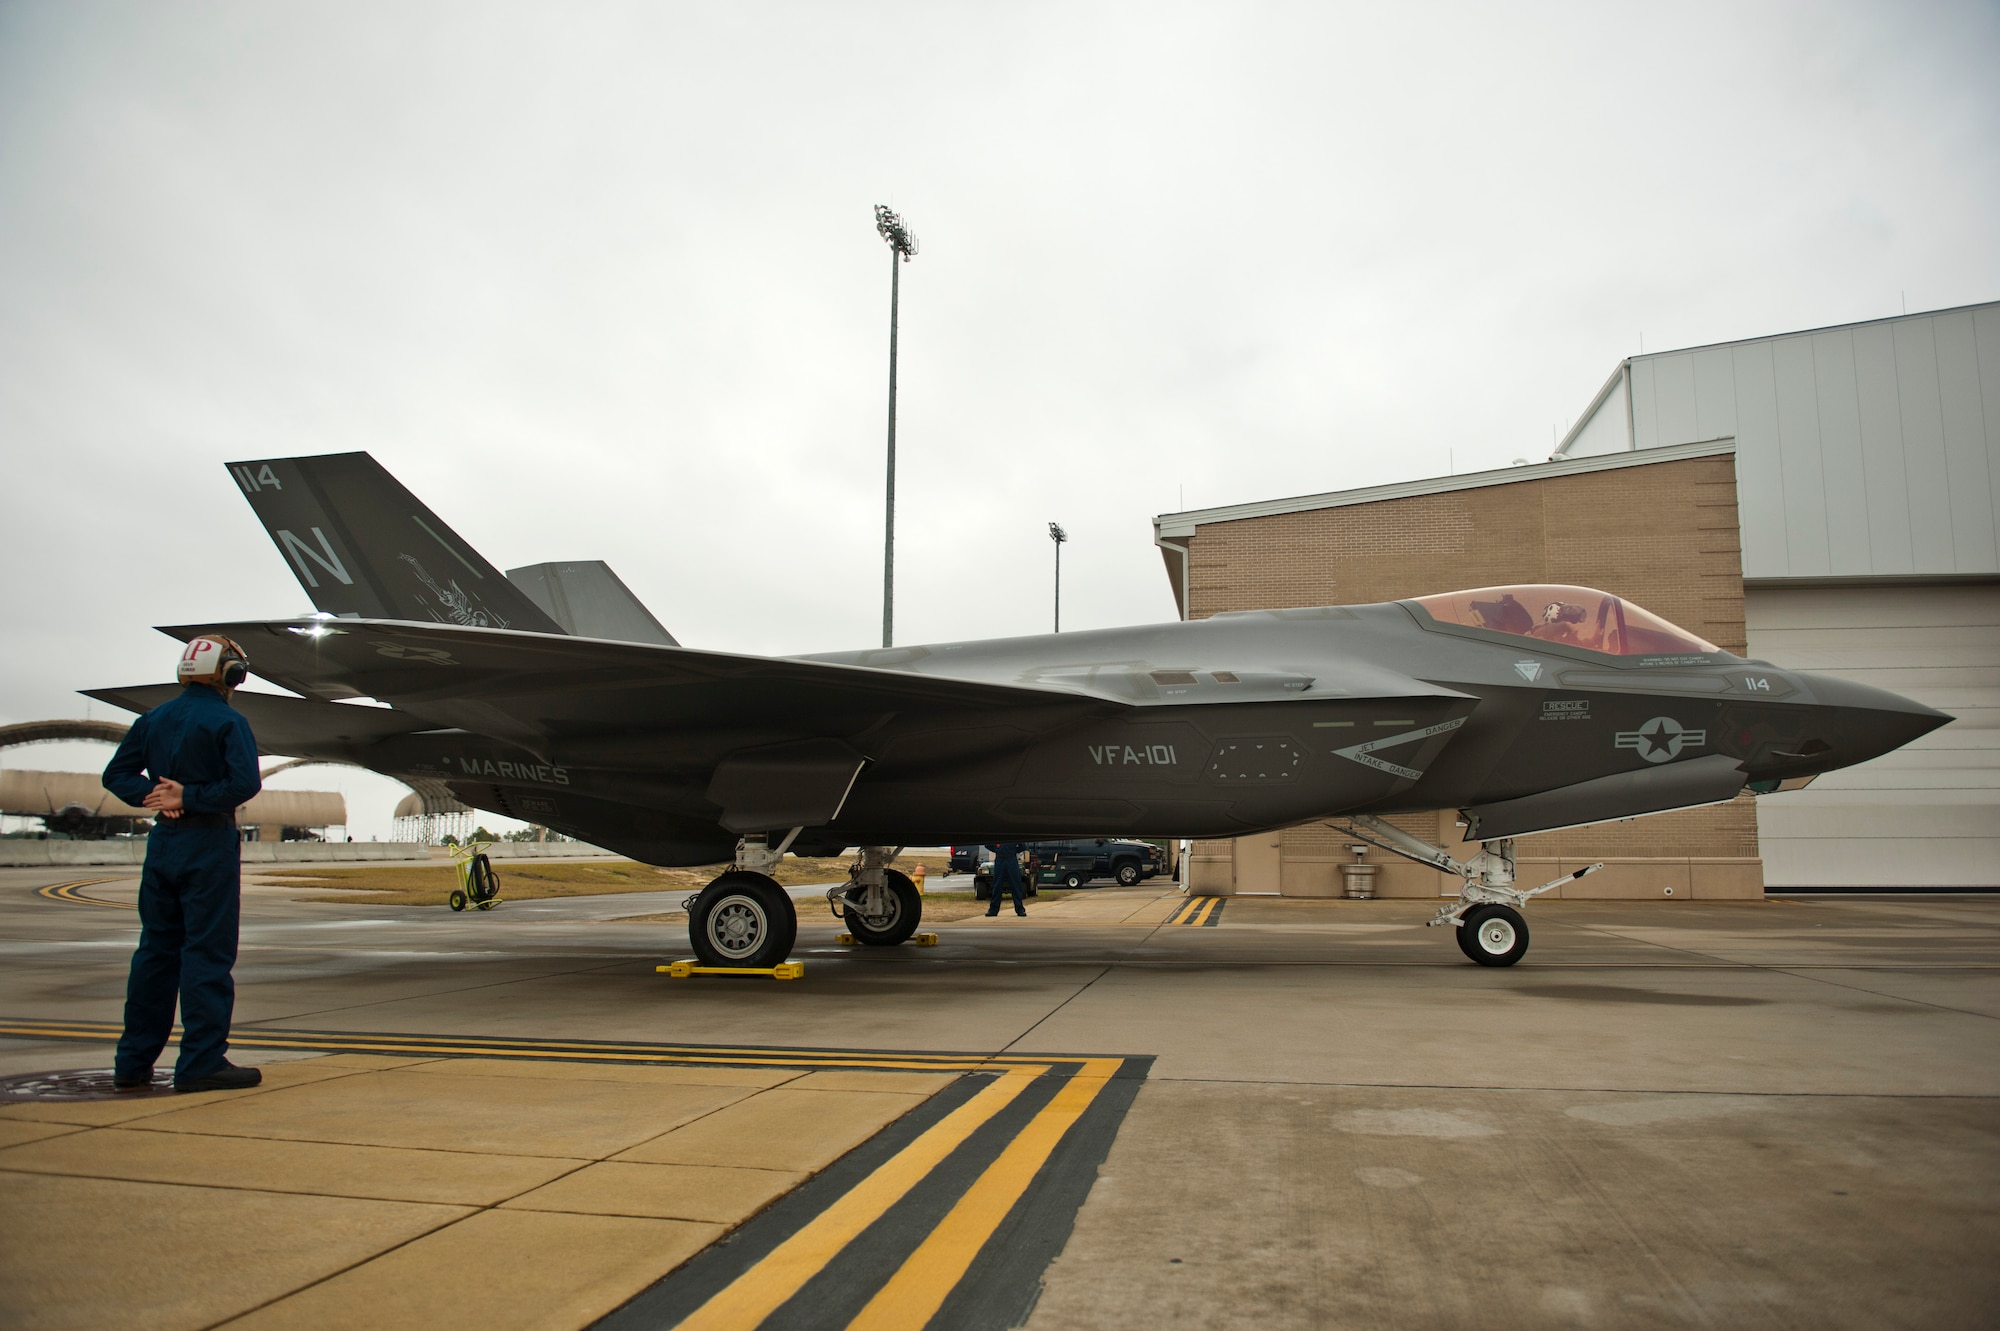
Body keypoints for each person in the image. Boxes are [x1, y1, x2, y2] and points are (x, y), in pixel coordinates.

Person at [102, 636, 265, 1093]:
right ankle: (200, 1063)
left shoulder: (152, 719)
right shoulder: (229, 721)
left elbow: (115, 775)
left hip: (164, 844)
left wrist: (154, 797)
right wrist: (189, 796)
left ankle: (132, 1063)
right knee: (206, 955)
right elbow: (243, 783)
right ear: (230, 675)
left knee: (155, 952)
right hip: (208, 842)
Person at [985, 841, 1027, 917]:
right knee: (997, 885)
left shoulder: (1012, 833)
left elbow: (1023, 846)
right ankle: (993, 910)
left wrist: (1013, 850)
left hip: (1011, 859)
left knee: (1016, 885)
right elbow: (987, 845)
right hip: (999, 859)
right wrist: (997, 850)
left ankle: (1020, 909)